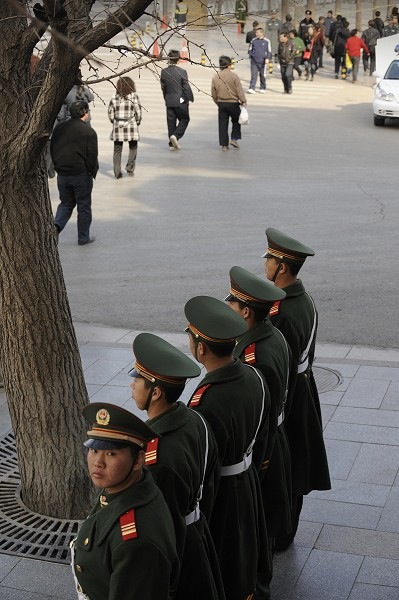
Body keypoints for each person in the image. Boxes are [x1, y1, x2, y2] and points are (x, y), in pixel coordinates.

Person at [185, 296, 271, 600]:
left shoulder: (204, 399)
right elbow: (264, 435)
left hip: (223, 491)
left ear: (201, 348)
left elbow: (204, 463)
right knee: (249, 551)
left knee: (227, 560)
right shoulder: (255, 377)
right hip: (247, 481)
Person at [129, 333, 225, 600]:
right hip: (198, 534)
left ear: (156, 392)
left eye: (137, 379)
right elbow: (211, 480)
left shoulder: (156, 458)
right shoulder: (195, 420)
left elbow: (164, 527)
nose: (132, 385)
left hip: (183, 552)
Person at [263, 228, 331, 549]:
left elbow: (279, 366)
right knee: (299, 460)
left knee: (286, 460)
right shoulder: (306, 300)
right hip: (307, 388)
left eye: (270, 260)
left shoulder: (281, 312)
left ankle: (281, 533)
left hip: (291, 396)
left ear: (282, 267)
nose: (265, 265)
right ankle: (287, 529)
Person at [72, 402, 179, 600]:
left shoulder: (135, 541)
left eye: (111, 453)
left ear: (138, 460)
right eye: (94, 450)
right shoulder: (123, 487)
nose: (98, 462)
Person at [225, 266, 294, 556]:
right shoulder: (271, 336)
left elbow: (259, 414)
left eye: (231, 301)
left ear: (245, 312)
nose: (226, 305)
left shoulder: (255, 356)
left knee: (260, 529)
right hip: (276, 436)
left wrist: (260, 461)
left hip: (266, 448)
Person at [51, 101, 98, 245]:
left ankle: (56, 227)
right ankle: (83, 237)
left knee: (65, 203)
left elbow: (52, 149)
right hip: (81, 175)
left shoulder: (59, 128)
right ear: (85, 113)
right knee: (83, 206)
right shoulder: (88, 132)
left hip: (63, 174)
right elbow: (92, 156)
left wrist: (58, 167)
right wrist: (92, 172)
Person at [108, 76, 142, 179]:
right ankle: (130, 167)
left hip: (118, 125)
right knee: (133, 147)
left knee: (117, 150)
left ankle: (117, 171)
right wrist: (137, 121)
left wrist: (114, 121)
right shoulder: (134, 97)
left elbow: (110, 113)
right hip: (131, 125)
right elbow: (138, 111)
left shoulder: (114, 97)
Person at [211, 55, 247, 151]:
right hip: (233, 103)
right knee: (236, 121)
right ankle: (234, 139)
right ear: (229, 64)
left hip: (221, 103)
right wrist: (243, 101)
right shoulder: (234, 76)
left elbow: (213, 92)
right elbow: (239, 90)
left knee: (222, 124)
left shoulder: (216, 77)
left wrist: (217, 102)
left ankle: (224, 145)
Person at [160, 49, 194, 150]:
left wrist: (166, 98)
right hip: (180, 101)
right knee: (185, 119)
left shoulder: (164, 71)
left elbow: (163, 87)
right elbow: (186, 87)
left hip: (169, 100)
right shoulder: (182, 72)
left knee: (171, 122)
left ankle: (172, 144)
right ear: (178, 59)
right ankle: (176, 136)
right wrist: (187, 99)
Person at [248, 28, 272, 93]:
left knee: (262, 75)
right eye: (256, 33)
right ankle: (252, 88)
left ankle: (262, 87)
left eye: (257, 33)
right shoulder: (253, 40)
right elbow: (250, 49)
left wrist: (267, 58)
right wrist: (251, 56)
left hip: (263, 62)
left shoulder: (267, 41)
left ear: (262, 33)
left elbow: (269, 51)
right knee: (254, 75)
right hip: (254, 61)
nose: (256, 34)